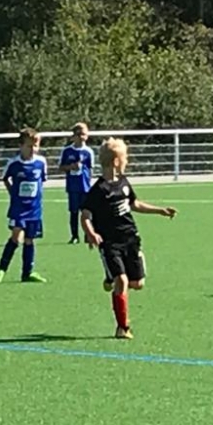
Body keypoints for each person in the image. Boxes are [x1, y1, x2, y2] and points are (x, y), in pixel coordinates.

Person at [81, 137, 177, 340]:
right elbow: (86, 215)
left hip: (130, 238)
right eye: (125, 158)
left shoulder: (124, 183)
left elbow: (135, 204)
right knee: (122, 281)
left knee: (137, 283)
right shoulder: (98, 190)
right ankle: (122, 327)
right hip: (110, 243)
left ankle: (111, 276)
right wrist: (91, 233)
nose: (127, 161)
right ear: (116, 161)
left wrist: (160, 210)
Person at [0, 128, 48, 284]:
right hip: (19, 209)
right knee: (16, 237)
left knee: (30, 240)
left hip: (34, 209)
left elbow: (42, 181)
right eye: (29, 146)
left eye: (35, 146)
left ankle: (27, 273)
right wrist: (13, 194)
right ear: (21, 146)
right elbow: (5, 178)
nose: (33, 149)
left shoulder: (41, 162)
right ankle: (1, 269)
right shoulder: (14, 164)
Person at [59, 122, 95, 244]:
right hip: (72, 187)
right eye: (79, 134)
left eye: (84, 134)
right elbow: (61, 167)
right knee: (73, 212)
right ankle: (74, 236)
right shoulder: (67, 151)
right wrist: (70, 167)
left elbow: (90, 169)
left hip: (85, 187)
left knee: (86, 212)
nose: (81, 137)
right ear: (73, 136)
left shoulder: (88, 152)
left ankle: (87, 235)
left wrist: (89, 183)